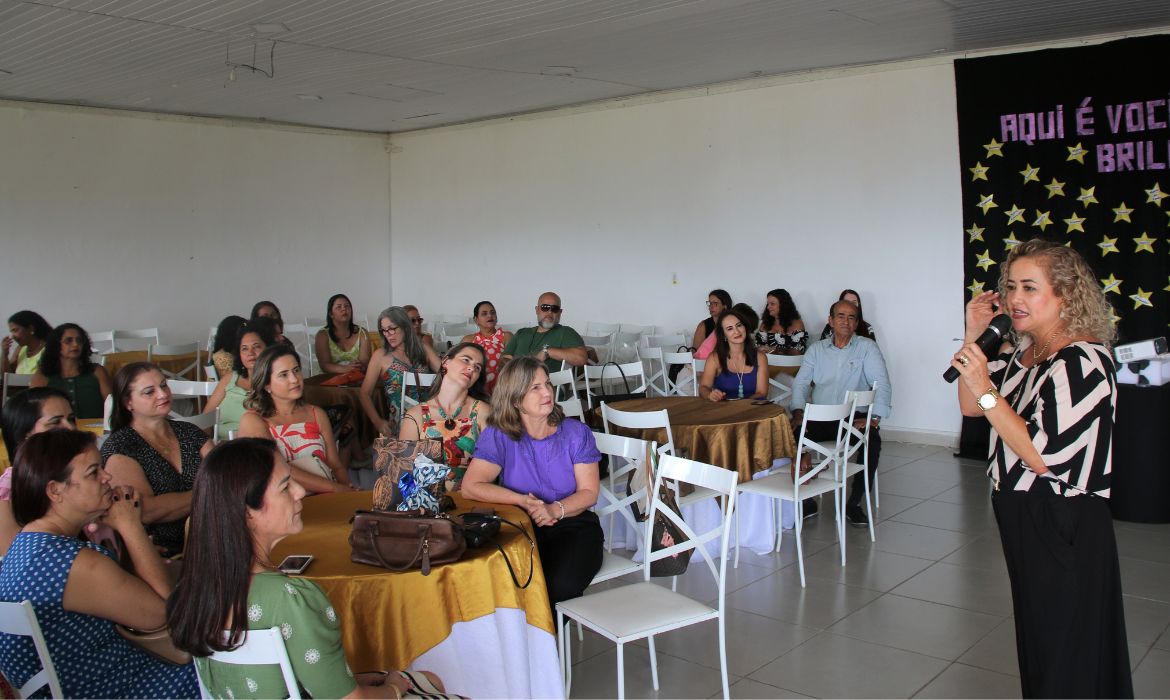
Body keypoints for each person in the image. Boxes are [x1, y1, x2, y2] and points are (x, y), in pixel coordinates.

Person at [951, 239, 1131, 698]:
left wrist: (985, 387)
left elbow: (1042, 455)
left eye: (1030, 288)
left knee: (1066, 644)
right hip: (1021, 513)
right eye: (1011, 286)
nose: (1014, 299)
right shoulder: (1028, 352)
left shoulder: (1083, 360)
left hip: (1060, 519)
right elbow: (974, 409)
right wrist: (974, 336)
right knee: (1041, 638)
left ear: (1066, 295)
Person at [167, 438, 449, 699]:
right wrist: (395, 687)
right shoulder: (290, 598)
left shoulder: (192, 591)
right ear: (247, 512)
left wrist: (372, 678)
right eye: (285, 486)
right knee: (429, 680)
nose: (300, 491)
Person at [0, 430, 198, 697]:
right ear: (55, 491)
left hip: (73, 686)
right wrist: (129, 524)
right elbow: (163, 614)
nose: (107, 478)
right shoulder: (73, 563)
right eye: (94, 472)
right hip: (118, 688)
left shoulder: (28, 545)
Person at [462, 357, 602, 605]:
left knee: (557, 585)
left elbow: (589, 492)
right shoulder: (500, 435)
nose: (547, 392)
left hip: (572, 525)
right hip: (520, 525)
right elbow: (471, 486)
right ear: (516, 399)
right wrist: (522, 501)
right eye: (535, 387)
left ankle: (545, 641)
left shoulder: (575, 432)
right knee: (497, 583)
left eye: (547, 384)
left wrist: (554, 510)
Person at [791, 299, 891, 527]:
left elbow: (882, 383)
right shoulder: (816, 350)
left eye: (851, 317)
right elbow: (801, 384)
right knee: (788, 436)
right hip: (819, 419)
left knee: (872, 443)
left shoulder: (867, 347)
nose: (845, 321)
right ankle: (806, 500)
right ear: (831, 320)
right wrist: (797, 412)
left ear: (856, 323)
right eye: (840, 316)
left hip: (852, 421)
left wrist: (873, 419)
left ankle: (854, 503)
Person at [101, 362, 212, 557]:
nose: (162, 394)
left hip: (212, 539)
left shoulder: (190, 433)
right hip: (161, 553)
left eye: (163, 385)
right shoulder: (121, 448)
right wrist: (210, 493)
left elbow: (225, 474)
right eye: (148, 392)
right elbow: (146, 510)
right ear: (128, 403)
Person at [238, 345, 353, 493]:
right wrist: (335, 488)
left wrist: (348, 493)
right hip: (283, 503)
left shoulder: (316, 414)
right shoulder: (254, 420)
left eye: (296, 370)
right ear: (267, 384)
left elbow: (335, 465)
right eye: (283, 375)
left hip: (327, 497)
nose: (294, 379)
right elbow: (276, 468)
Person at [399, 343, 491, 487]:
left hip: (470, 499)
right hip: (425, 502)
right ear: (445, 362)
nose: (471, 368)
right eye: (466, 360)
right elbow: (405, 471)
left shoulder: (483, 412)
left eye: (477, 367)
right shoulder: (415, 415)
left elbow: (491, 468)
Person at [0, 387, 75, 556]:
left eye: (71, 419)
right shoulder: (9, 492)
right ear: (24, 436)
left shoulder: (79, 474)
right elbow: (12, 566)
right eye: (55, 422)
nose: (70, 428)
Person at [360, 307, 441, 438]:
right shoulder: (381, 355)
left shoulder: (424, 349)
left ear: (405, 326)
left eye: (392, 328)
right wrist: (378, 422)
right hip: (400, 425)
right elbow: (364, 393)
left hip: (430, 419)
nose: (388, 334)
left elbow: (446, 375)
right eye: (384, 330)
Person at [204, 321, 275, 437]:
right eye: (244, 349)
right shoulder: (229, 379)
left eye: (256, 347)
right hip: (222, 447)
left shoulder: (276, 382)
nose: (250, 353)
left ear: (268, 349)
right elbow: (206, 420)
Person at [29, 323, 112, 420]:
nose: (75, 344)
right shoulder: (42, 377)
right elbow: (33, 413)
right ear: (56, 345)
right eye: (68, 341)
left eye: (79, 340)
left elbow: (112, 406)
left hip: (97, 431)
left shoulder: (97, 371)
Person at [501, 292, 588, 375]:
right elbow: (505, 359)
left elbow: (581, 358)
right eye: (545, 307)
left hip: (547, 386)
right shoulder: (522, 333)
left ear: (560, 313)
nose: (549, 312)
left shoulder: (565, 332)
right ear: (537, 310)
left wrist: (547, 351)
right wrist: (519, 371)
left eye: (555, 309)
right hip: (518, 385)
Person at [700, 309, 768, 401]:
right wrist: (710, 395)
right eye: (730, 328)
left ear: (745, 327)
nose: (736, 331)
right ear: (724, 335)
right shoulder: (714, 358)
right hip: (724, 411)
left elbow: (761, 393)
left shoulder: (760, 357)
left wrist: (740, 406)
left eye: (739, 325)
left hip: (753, 410)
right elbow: (704, 387)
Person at [461, 300, 512, 393]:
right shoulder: (469, 340)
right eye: (484, 314)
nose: (490, 316)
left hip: (502, 385)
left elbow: (512, 362)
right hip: (475, 385)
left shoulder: (506, 336)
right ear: (476, 320)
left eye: (493, 313)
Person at [315, 293, 371, 375]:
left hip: (356, 377)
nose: (344, 309)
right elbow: (324, 365)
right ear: (331, 314)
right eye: (339, 307)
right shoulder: (322, 335)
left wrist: (358, 367)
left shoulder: (362, 333)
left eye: (347, 306)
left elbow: (364, 361)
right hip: (328, 380)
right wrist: (346, 369)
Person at [756, 288, 807, 355]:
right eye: (768, 304)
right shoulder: (765, 324)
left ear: (783, 305)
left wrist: (774, 349)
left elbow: (797, 353)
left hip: (790, 365)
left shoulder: (797, 324)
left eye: (772, 304)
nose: (768, 307)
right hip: (766, 363)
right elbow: (758, 350)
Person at [2, 310, 51, 375]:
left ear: (31, 328)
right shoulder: (20, 349)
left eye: (15, 330)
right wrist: (5, 354)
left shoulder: (49, 348)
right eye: (11, 332)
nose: (12, 336)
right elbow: (7, 377)